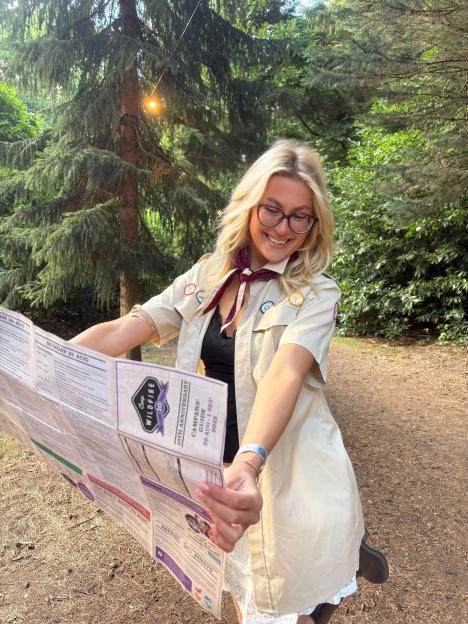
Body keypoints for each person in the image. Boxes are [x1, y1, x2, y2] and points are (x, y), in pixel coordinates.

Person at [71, 139, 387, 624]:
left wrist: (248, 463)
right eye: (273, 210)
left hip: (287, 481)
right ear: (249, 205)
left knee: (282, 603)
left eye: (300, 216)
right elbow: (125, 328)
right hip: (219, 477)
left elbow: (286, 370)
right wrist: (46, 362)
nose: (284, 229)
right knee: (244, 595)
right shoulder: (209, 274)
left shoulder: (316, 294)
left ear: (314, 223)